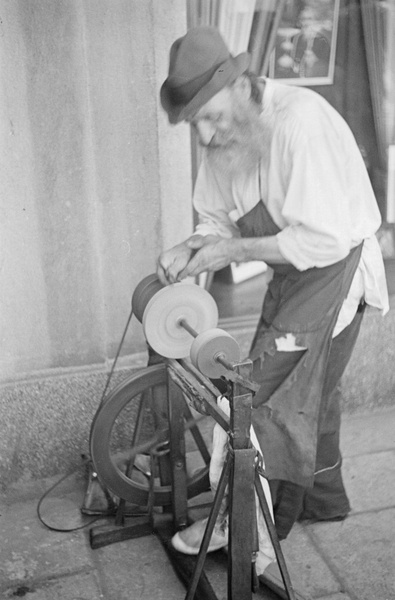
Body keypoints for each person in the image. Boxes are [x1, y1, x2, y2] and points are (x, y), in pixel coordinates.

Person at [157, 25, 389, 563]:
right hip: (292, 278)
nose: (208, 136)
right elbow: (217, 221)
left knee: (263, 401)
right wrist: (194, 245)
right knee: (315, 390)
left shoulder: (301, 124)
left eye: (212, 118)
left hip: (337, 274)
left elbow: (325, 238)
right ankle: (324, 500)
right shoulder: (226, 140)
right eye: (197, 126)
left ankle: (243, 526)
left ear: (242, 86)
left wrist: (229, 254)